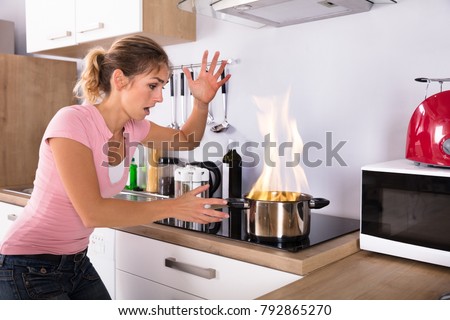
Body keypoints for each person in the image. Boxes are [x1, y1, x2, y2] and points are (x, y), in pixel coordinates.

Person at [0, 35, 231, 300]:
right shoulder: (73, 121)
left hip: (75, 263)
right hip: (27, 266)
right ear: (120, 79)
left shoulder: (133, 128)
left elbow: (186, 140)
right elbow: (93, 213)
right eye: (153, 85)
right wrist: (175, 206)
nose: (159, 97)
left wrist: (201, 103)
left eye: (163, 87)